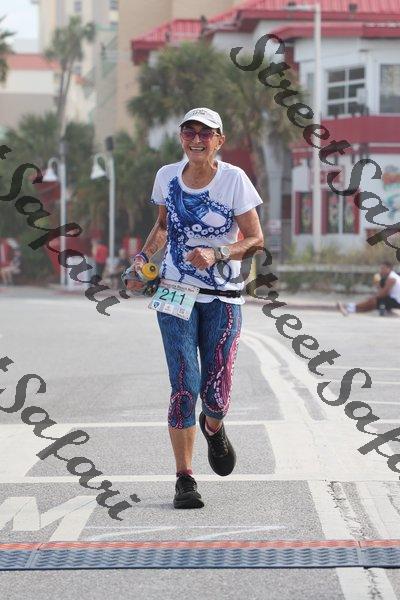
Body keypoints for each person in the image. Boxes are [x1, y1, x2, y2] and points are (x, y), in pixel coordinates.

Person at [127, 107, 264, 509]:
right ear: (181, 138)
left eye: (206, 133)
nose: (197, 140)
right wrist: (141, 259)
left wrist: (218, 252)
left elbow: (255, 239)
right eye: (190, 132)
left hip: (223, 297)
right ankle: (184, 478)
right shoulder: (167, 177)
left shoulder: (234, 180)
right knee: (184, 386)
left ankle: (214, 426)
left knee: (215, 394)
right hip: (175, 292)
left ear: (220, 140)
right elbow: (163, 226)